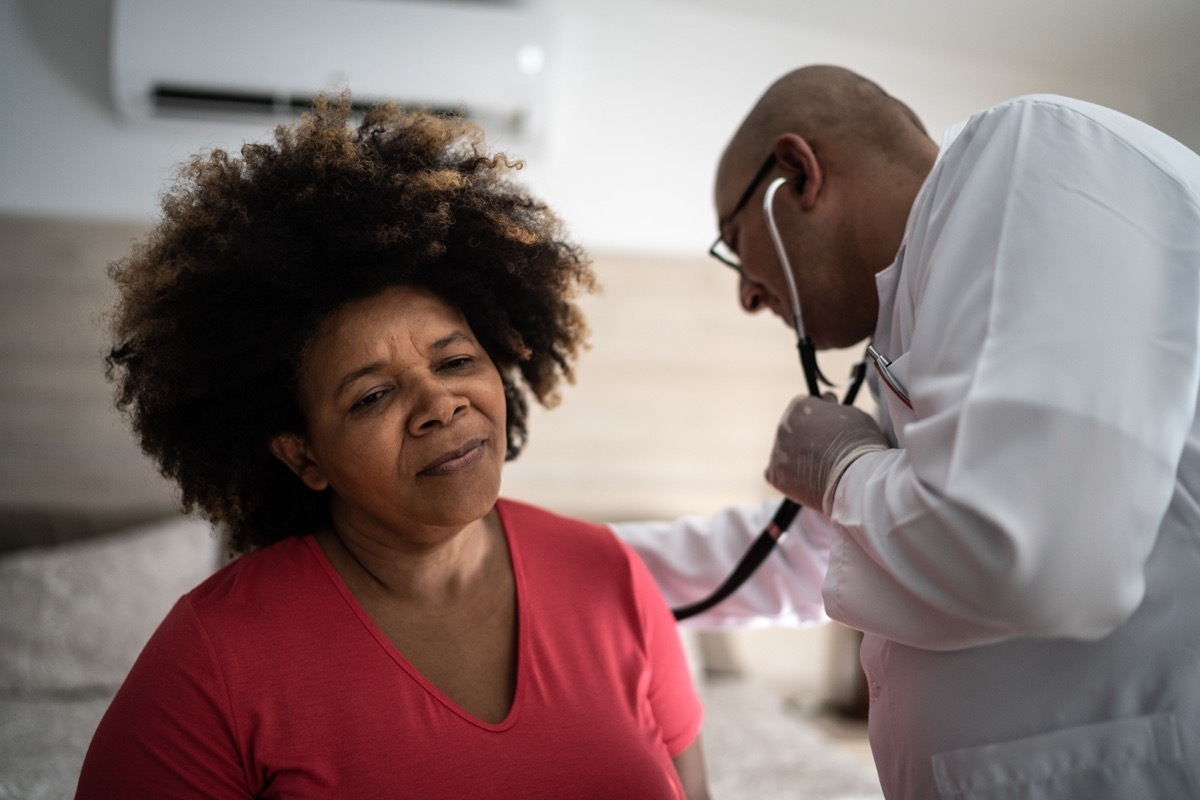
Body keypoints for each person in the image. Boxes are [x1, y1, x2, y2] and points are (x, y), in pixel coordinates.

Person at [76, 94, 709, 799]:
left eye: (456, 361)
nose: (440, 404)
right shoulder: (213, 656)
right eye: (372, 396)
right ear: (303, 455)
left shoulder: (611, 575)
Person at [615, 65, 1200, 798]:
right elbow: (814, 550)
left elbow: (1033, 562)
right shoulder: (919, 310)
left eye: (736, 244)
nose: (746, 294)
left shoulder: (1027, 154)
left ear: (798, 175)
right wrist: (549, 556)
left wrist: (841, 467)